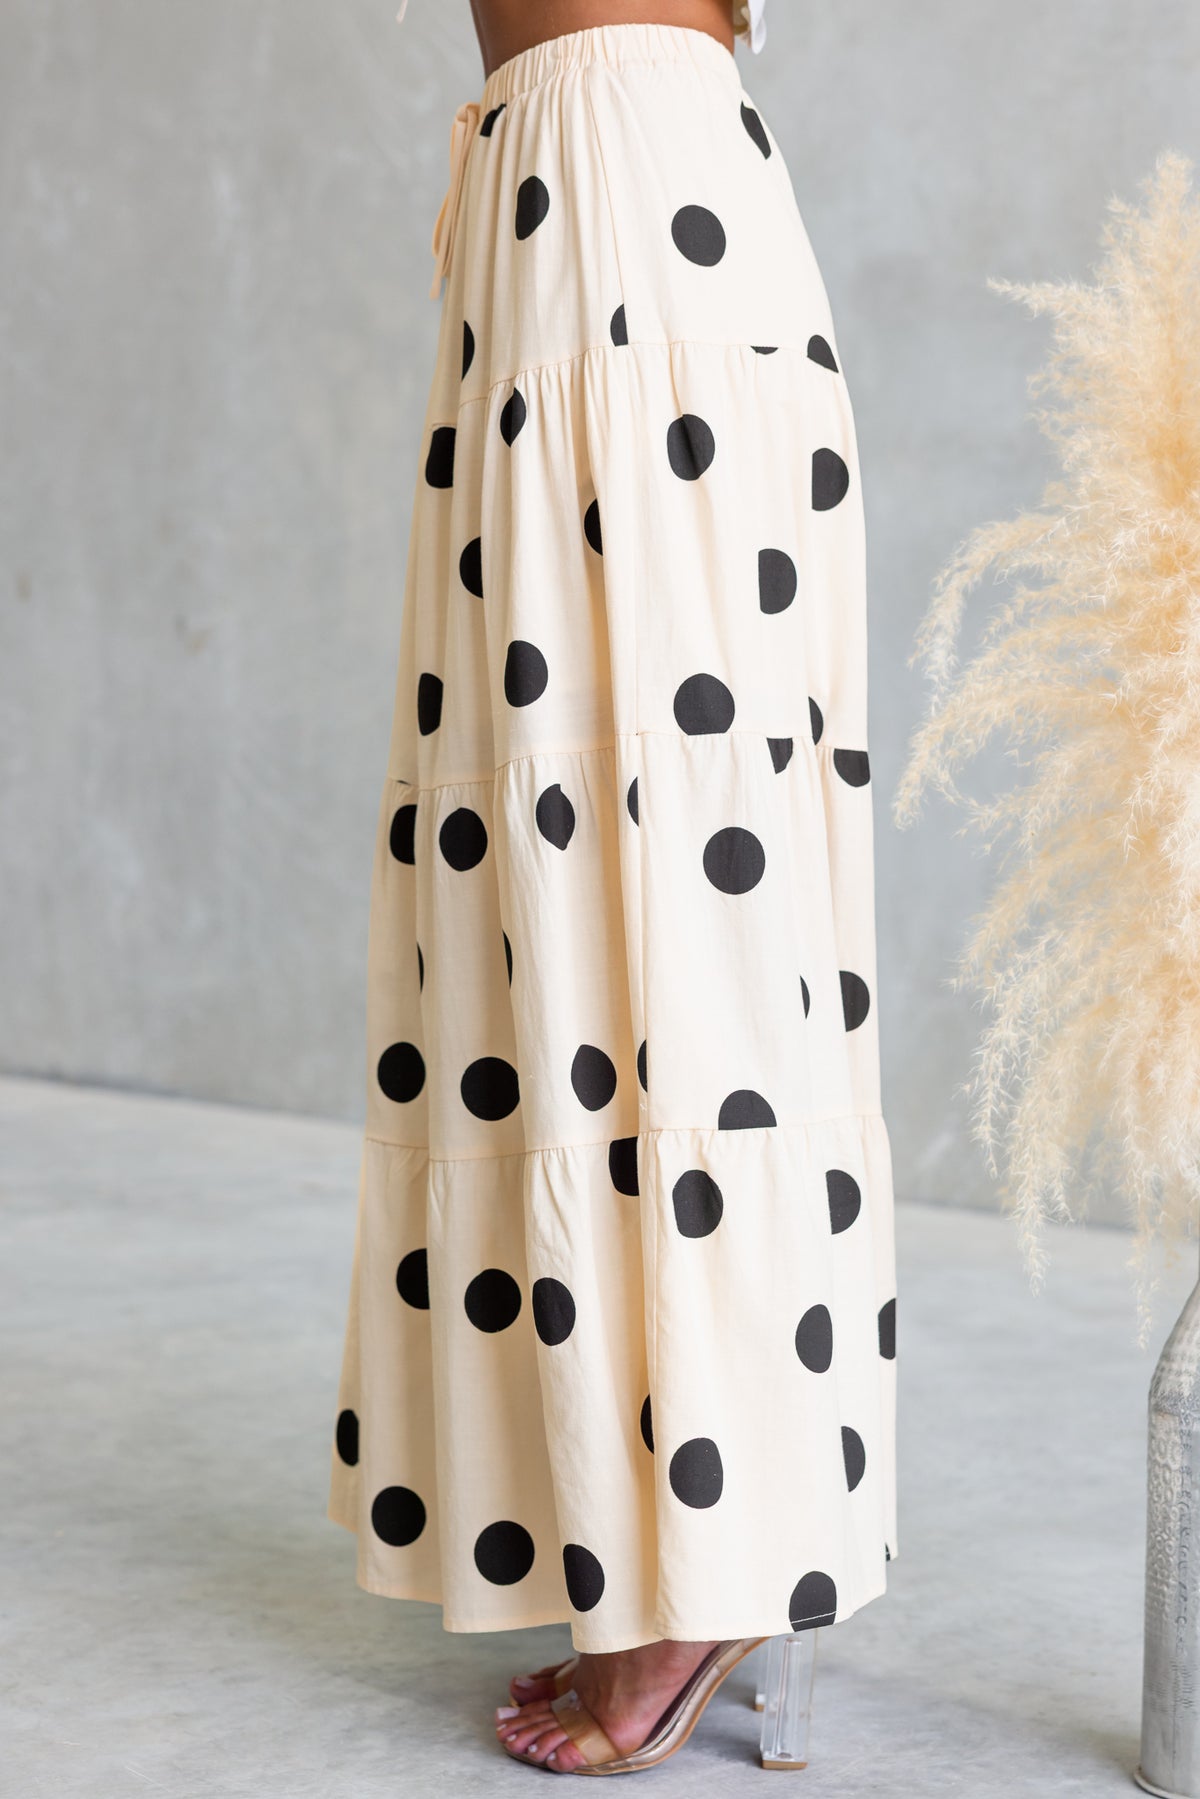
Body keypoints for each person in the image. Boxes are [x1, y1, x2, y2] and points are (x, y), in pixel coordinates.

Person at [327, 0, 898, 1775]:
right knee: (555, 895)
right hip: (549, 216)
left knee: (659, 881)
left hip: (632, 207)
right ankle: (634, 1530)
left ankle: (702, 1562)